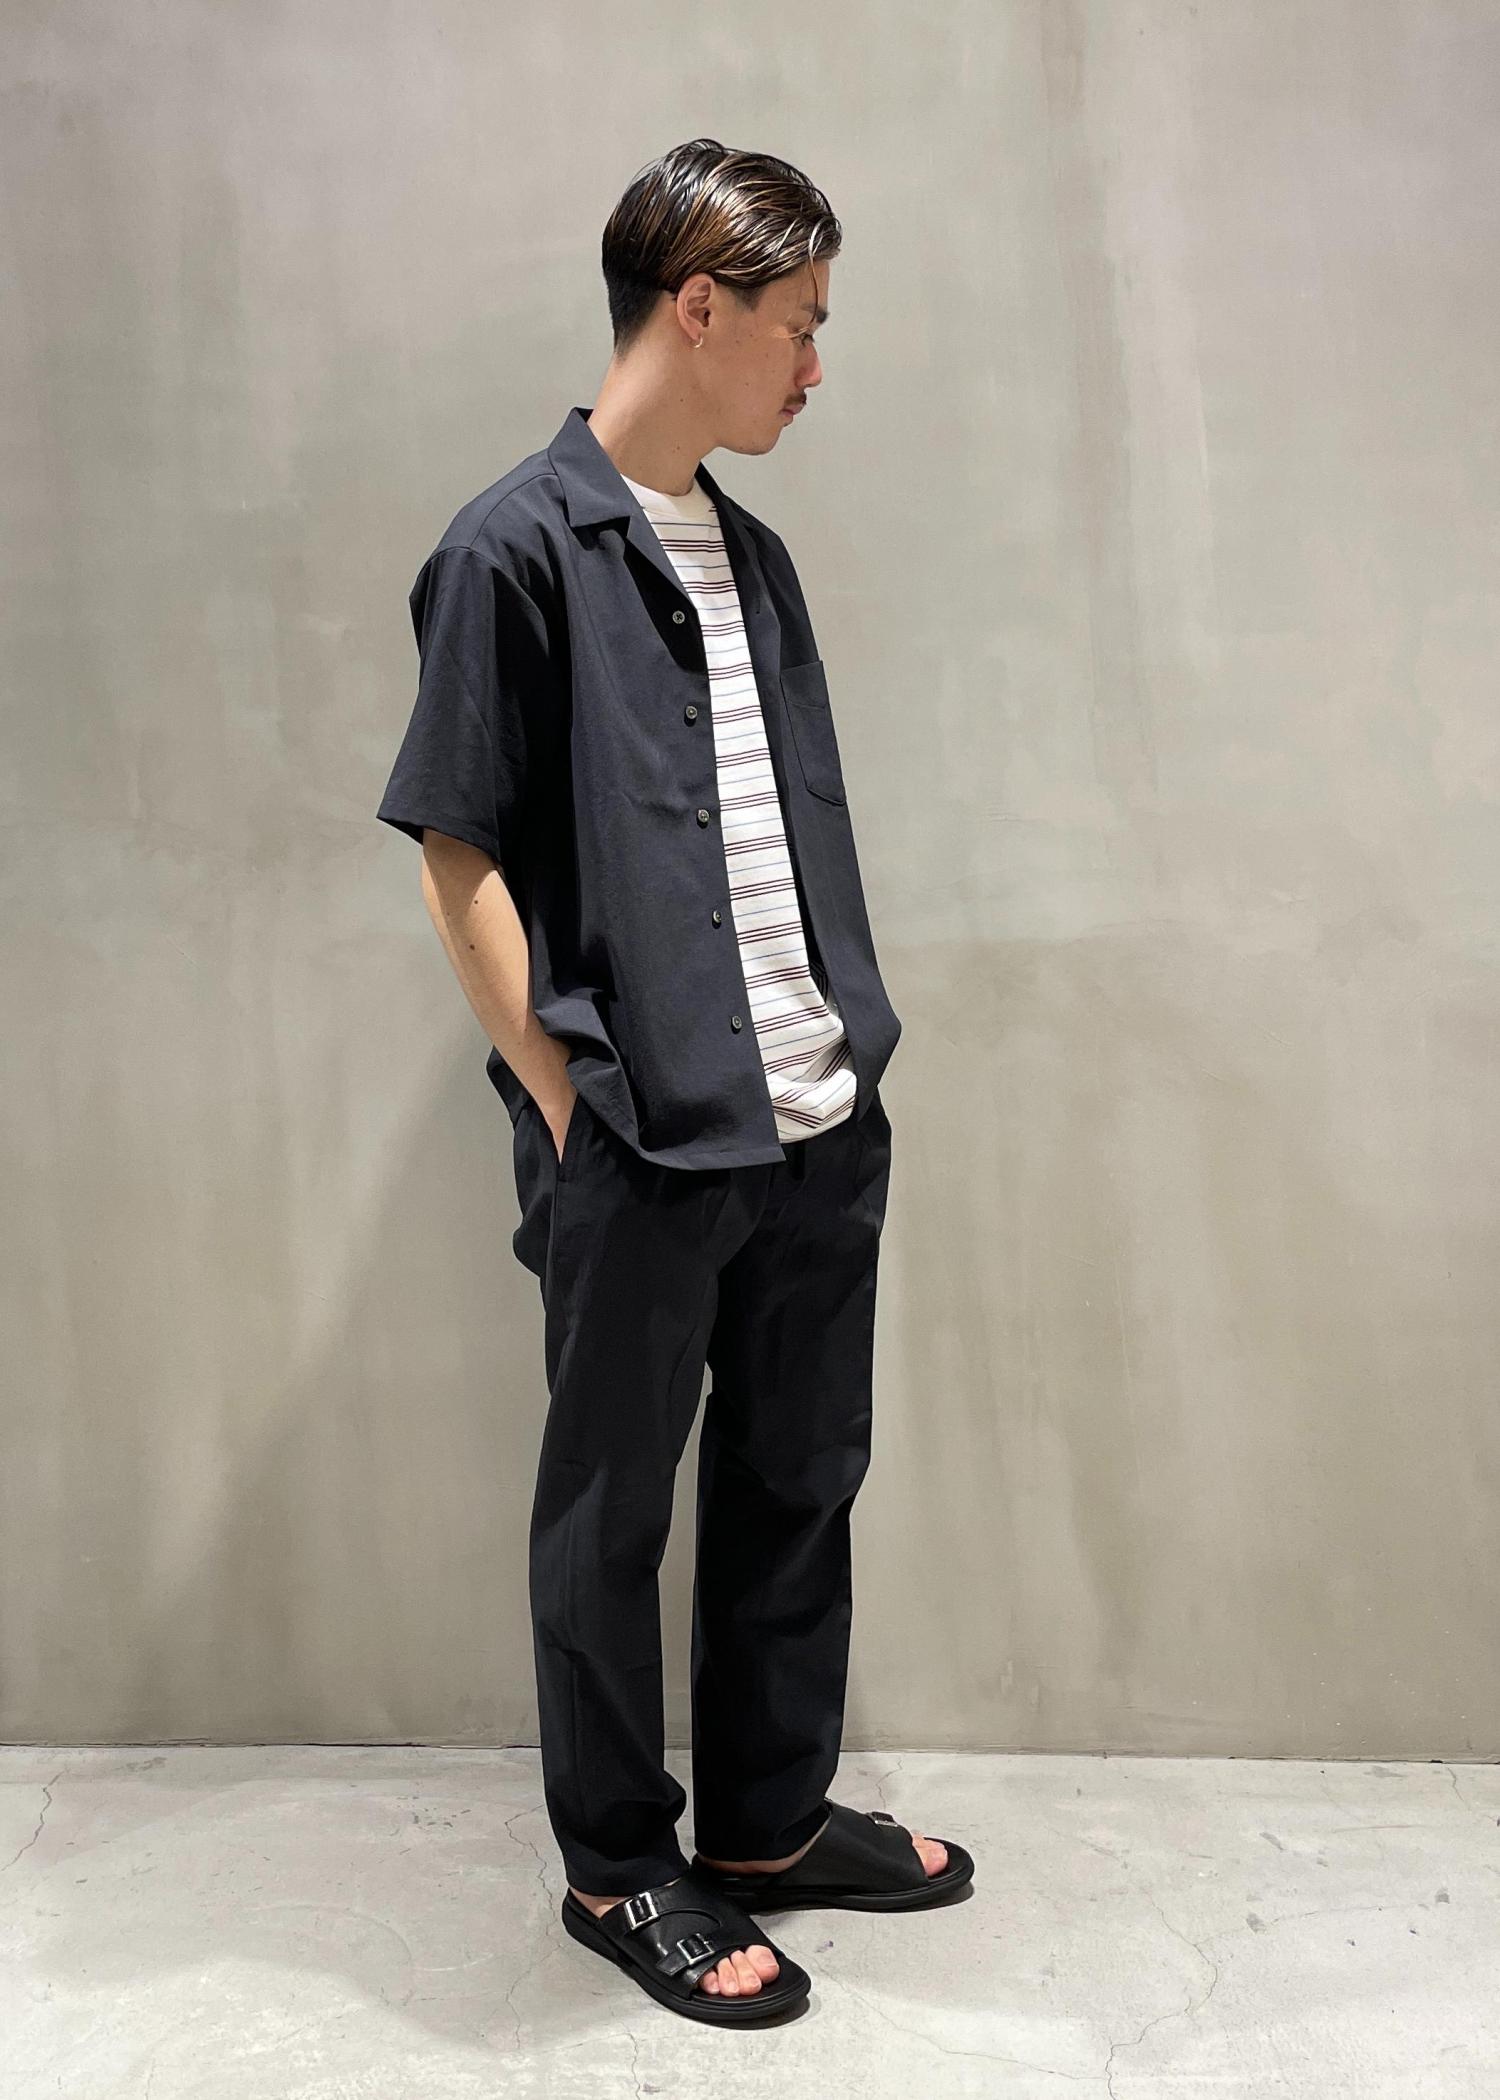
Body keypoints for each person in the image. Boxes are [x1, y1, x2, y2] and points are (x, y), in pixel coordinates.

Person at [375, 137, 974, 2025]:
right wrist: (566, 1103)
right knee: (610, 1513)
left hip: (814, 1114)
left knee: (801, 1477)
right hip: (643, 1135)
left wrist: (843, 1053)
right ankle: (621, 1868)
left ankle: (770, 1826)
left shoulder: (754, 555)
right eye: (799, 324)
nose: (816, 365)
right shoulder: (510, 549)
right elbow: (456, 850)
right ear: (697, 309)